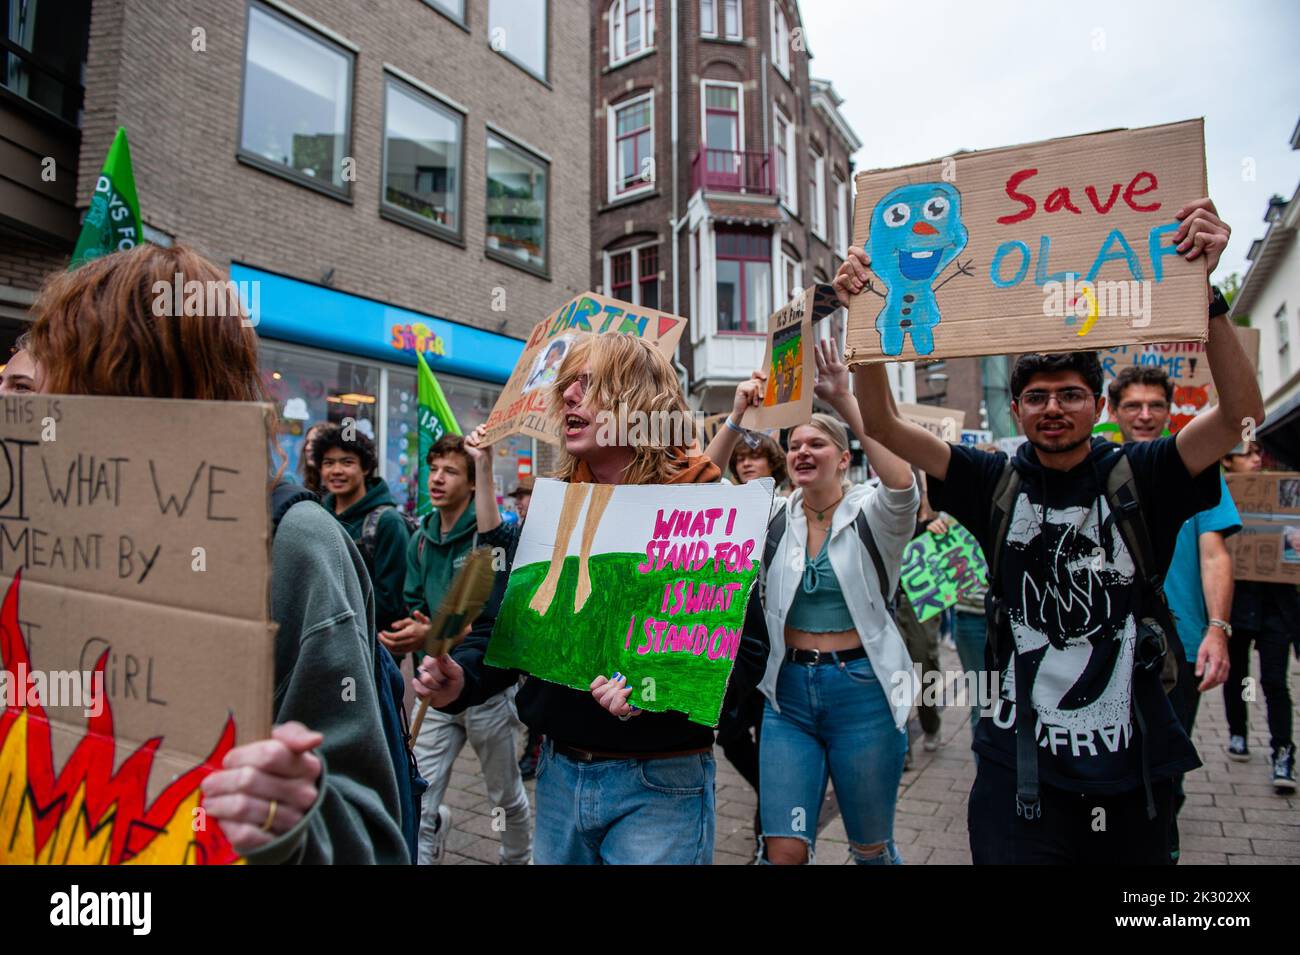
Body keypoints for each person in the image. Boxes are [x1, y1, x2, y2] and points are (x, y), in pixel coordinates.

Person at [836, 196, 1265, 864]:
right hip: (1018, 769)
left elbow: (1241, 415)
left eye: (1070, 393)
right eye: (1036, 396)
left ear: (1098, 404)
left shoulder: (1144, 472)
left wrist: (1205, 293)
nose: (1053, 408)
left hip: (1130, 771)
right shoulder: (988, 479)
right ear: (1016, 408)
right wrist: (864, 318)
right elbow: (886, 427)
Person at [28, 242, 407, 863]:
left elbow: (373, 835)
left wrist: (283, 822)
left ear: (123, 385)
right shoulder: (51, 536)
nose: (35, 400)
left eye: (56, 374)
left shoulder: (294, 544)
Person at [413, 333, 745, 865]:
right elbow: (507, 626)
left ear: (637, 400)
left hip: (659, 785)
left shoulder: (706, 509)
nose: (568, 395)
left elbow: (742, 654)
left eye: (588, 384)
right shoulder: (552, 511)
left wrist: (658, 690)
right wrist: (463, 680)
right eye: (568, 384)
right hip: (559, 775)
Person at [715, 339, 919, 864]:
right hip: (789, 700)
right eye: (796, 445)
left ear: (844, 457)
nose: (803, 451)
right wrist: (737, 415)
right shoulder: (774, 514)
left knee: (869, 849)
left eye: (818, 444)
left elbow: (902, 483)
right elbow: (705, 487)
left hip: (863, 693)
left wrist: (846, 401)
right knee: (783, 850)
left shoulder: (873, 513)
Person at [1108, 364, 1238, 858]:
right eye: (1132, 406)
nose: (1144, 415)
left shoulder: (1197, 467)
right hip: (1105, 648)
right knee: (1110, 765)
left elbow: (1214, 553)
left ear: (1170, 411)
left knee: (1165, 765)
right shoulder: (1094, 465)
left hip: (1178, 646)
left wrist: (1219, 631)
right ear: (1112, 411)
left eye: (1155, 406)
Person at [384, 432, 532, 864]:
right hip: (433, 685)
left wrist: (444, 634)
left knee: (504, 797)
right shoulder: (421, 539)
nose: (438, 478)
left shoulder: (491, 537)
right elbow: (413, 602)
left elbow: (495, 621)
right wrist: (422, 629)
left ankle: (516, 858)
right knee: (419, 792)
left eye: (451, 470)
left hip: (486, 693)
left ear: (471, 484)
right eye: (433, 469)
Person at [1221, 442, 1297, 793]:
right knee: (1238, 677)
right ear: (1228, 461)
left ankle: (1283, 752)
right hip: (1235, 607)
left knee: (1274, 682)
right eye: (1247, 454)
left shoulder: (1283, 495)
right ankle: (1238, 731)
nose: (1256, 460)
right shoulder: (1216, 497)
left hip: (1275, 610)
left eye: (1258, 454)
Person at [316, 428, 411, 641]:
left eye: (347, 462)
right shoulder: (317, 515)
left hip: (372, 645)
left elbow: (390, 602)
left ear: (366, 468)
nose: (336, 470)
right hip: (324, 639)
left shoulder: (387, 522)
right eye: (328, 463)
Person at [297, 421, 330, 494]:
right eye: (307, 442)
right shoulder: (311, 485)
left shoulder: (338, 491)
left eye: (314, 443)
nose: (308, 448)